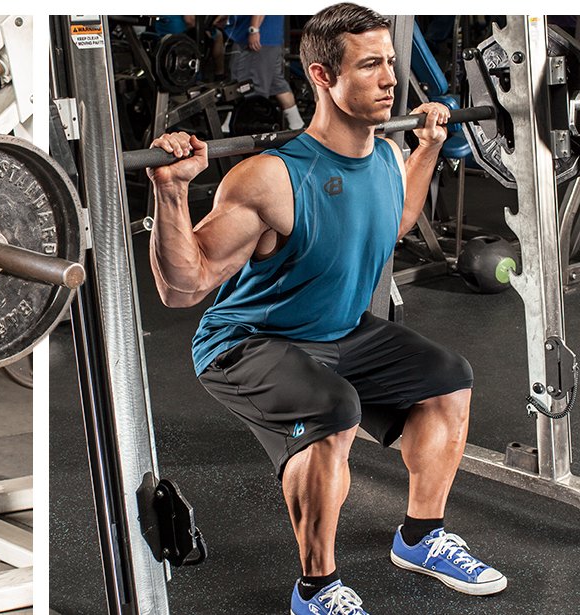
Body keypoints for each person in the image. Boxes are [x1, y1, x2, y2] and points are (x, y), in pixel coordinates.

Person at [145, 4, 504, 614]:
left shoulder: (387, 156)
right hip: (247, 343)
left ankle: (420, 538)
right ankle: (317, 590)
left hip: (339, 330)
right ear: (321, 76)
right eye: (370, 66)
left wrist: (424, 150)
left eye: (390, 62)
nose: (391, 78)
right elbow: (185, 287)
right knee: (336, 410)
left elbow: (394, 223)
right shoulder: (270, 179)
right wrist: (172, 190)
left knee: (449, 378)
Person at [218, 14, 305, 131]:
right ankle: (297, 125)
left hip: (258, 39)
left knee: (245, 86)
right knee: (277, 85)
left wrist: (254, 29)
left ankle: (241, 130)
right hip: (268, 38)